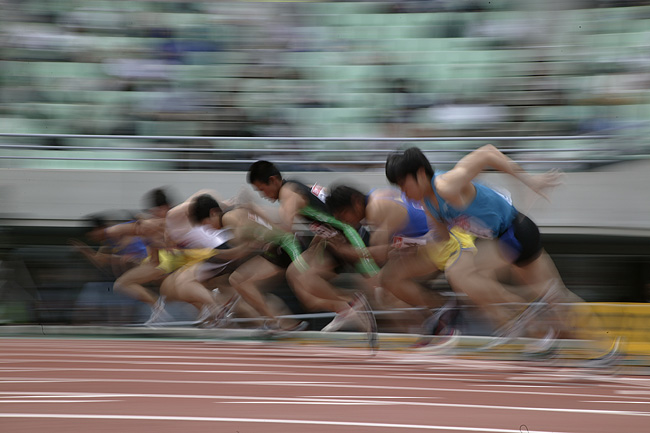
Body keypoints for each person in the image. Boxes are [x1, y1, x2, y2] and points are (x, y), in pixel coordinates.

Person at [384, 145, 582, 342]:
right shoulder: (428, 205)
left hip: (517, 232)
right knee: (557, 299)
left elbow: (487, 153)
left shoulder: (446, 184)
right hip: (505, 240)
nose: (404, 192)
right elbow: (442, 238)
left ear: (420, 174)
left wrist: (530, 180)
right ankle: (592, 345)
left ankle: (523, 313)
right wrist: (410, 244)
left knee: (459, 273)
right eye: (399, 188)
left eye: (404, 184)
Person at [229, 160, 378, 339]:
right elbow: (322, 209)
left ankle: (350, 304)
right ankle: (347, 308)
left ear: (274, 180)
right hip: (333, 239)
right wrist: (316, 244)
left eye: (262, 189)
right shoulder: (296, 186)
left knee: (303, 275)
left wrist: (255, 211)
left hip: (347, 237)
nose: (262, 195)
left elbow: (285, 226)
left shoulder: (288, 193)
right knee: (305, 292)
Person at [323, 185, 475, 339]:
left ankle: (442, 311)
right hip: (438, 237)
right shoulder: (376, 194)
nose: (345, 222)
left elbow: (380, 254)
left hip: (445, 241)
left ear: (355, 202)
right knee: (388, 282)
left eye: (343, 215)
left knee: (389, 280)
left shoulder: (375, 211)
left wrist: (345, 251)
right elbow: (397, 245)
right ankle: (439, 316)